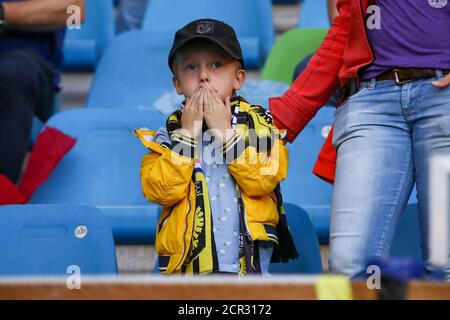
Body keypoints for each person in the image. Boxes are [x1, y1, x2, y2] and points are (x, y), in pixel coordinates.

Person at [270, 0, 450, 278]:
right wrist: (281, 119)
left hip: (444, 98)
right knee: (350, 266)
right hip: (370, 98)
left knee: (445, 263)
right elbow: (346, 30)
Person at [134, 19, 297, 275]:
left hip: (248, 265)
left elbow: (264, 179)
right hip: (189, 272)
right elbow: (160, 191)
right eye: (191, 67)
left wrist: (225, 133)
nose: (203, 76)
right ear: (177, 84)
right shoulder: (169, 134)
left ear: (238, 79)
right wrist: (187, 136)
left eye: (216, 65)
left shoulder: (260, 124)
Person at [0, 0, 85, 184]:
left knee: (14, 72)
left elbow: (75, 12)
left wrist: (3, 13)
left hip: (28, 72)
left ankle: (3, 196)